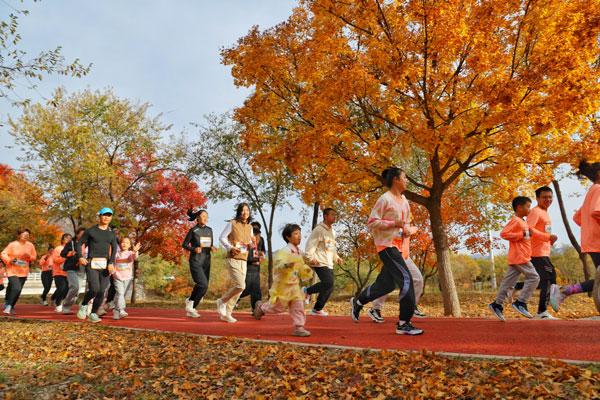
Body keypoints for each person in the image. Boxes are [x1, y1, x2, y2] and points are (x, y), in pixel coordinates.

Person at [349, 167, 423, 335]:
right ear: (396, 180)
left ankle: (358, 301)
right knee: (406, 279)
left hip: (401, 249)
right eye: (404, 177)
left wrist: (409, 230)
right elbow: (372, 223)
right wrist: (393, 224)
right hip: (387, 247)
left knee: (386, 285)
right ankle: (404, 323)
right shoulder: (385, 199)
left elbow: (406, 224)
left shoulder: (404, 200)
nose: (407, 180)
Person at [550, 161, 600, 311]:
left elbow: (578, 218)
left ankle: (565, 291)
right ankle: (564, 291)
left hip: (591, 241)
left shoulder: (592, 191)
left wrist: (590, 228)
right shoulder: (599, 189)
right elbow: (596, 212)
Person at [253, 224, 313, 337]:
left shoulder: (299, 252)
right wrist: (286, 265)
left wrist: (307, 269)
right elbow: (278, 265)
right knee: (277, 308)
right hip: (283, 286)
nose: (299, 236)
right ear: (288, 237)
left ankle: (299, 327)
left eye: (300, 234)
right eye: (296, 234)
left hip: (294, 285)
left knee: (298, 305)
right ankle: (261, 308)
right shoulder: (284, 251)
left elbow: (300, 267)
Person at [488, 196, 541, 321]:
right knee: (534, 277)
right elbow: (504, 233)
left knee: (508, 283)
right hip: (520, 256)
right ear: (519, 207)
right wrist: (522, 234)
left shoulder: (522, 221)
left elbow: (525, 237)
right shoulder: (516, 220)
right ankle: (521, 302)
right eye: (528, 206)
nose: (530, 209)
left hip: (519, 256)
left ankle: (497, 304)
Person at [76, 207, 118, 323]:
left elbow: (114, 249)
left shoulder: (111, 233)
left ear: (111, 217)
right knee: (94, 289)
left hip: (105, 265)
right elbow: (79, 243)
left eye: (109, 215)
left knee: (101, 291)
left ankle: (93, 313)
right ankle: (84, 304)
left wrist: (111, 263)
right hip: (92, 264)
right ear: (99, 216)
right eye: (104, 215)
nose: (106, 217)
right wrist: (80, 257)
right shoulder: (91, 231)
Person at [523, 186, 560, 319]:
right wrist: (547, 237)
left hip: (543, 251)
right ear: (537, 198)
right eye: (544, 197)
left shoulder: (545, 212)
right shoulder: (536, 212)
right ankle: (542, 311)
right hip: (536, 253)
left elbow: (542, 231)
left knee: (545, 279)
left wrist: (549, 241)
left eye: (550, 197)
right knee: (549, 278)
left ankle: (517, 289)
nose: (548, 199)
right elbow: (528, 229)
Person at [217, 203, 253, 323]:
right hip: (233, 258)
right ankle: (222, 301)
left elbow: (250, 242)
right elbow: (222, 237)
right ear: (239, 212)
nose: (245, 212)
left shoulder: (250, 227)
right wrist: (230, 247)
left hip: (244, 259)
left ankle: (227, 313)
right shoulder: (232, 223)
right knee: (241, 285)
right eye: (243, 210)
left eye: (247, 210)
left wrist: (251, 245)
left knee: (240, 288)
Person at [302, 208, 343, 316]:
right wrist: (310, 258)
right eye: (332, 214)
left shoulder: (332, 232)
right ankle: (307, 290)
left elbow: (331, 247)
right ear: (325, 216)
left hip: (329, 262)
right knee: (328, 282)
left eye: (335, 215)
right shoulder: (318, 230)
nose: (334, 217)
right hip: (319, 261)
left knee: (330, 286)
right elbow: (310, 244)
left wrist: (337, 257)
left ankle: (317, 309)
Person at [182, 208, 216, 318]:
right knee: (202, 284)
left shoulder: (209, 230)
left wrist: (212, 247)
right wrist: (194, 249)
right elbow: (184, 245)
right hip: (196, 261)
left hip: (206, 261)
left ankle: (191, 307)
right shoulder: (193, 230)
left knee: (204, 287)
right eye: (203, 216)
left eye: (207, 216)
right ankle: (190, 302)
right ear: (197, 218)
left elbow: (209, 244)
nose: (205, 218)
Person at [1, 227, 37, 315]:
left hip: (23, 271)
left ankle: (10, 305)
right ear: (19, 235)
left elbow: (34, 257)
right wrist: (9, 260)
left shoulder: (30, 245)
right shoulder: (12, 244)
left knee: (18, 290)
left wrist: (29, 256)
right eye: (24, 234)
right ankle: (9, 306)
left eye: (27, 235)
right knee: (16, 288)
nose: (26, 236)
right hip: (12, 270)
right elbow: (3, 254)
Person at [238, 221, 265, 312]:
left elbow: (263, 251)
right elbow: (243, 256)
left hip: (256, 269)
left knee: (256, 290)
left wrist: (261, 256)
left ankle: (256, 309)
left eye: (258, 233)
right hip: (247, 269)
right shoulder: (244, 241)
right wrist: (255, 259)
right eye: (254, 232)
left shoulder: (261, 240)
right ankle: (232, 299)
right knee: (246, 289)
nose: (257, 236)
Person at [112, 237, 140, 320]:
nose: (124, 244)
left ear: (130, 245)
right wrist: (113, 273)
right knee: (120, 293)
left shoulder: (130, 253)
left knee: (121, 295)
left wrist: (135, 251)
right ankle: (122, 310)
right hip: (117, 277)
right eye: (123, 242)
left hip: (127, 278)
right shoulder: (116, 254)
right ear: (120, 244)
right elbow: (112, 263)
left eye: (127, 243)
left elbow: (134, 257)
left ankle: (116, 310)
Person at [60, 227, 86, 314]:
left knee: (77, 290)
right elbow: (62, 253)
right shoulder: (71, 243)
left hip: (82, 268)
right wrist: (70, 253)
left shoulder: (87, 244)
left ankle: (67, 306)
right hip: (71, 268)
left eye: (84, 235)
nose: (83, 236)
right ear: (77, 234)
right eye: (81, 234)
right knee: (75, 287)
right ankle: (65, 305)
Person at [49, 234, 71, 313]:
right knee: (61, 288)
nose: (68, 239)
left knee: (67, 289)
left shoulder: (71, 249)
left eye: (70, 238)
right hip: (58, 272)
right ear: (62, 239)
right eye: (66, 238)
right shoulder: (58, 248)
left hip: (68, 272)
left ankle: (56, 299)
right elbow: (55, 260)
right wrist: (66, 257)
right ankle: (58, 304)